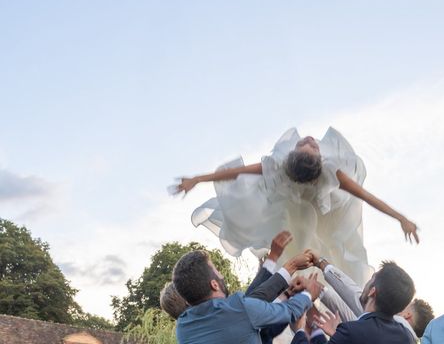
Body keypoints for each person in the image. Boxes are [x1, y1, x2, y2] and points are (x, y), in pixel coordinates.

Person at [175, 127, 419, 286]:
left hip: (325, 214)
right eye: (310, 145)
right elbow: (235, 173)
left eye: (310, 145)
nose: (311, 140)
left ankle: (322, 283)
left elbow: (366, 196)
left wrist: (400, 218)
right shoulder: (284, 167)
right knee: (298, 246)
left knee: (331, 249)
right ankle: (293, 283)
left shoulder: (325, 172)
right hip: (292, 213)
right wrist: (197, 179)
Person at [172, 249, 323, 344]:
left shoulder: (183, 328)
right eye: (217, 271)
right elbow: (290, 311)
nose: (222, 275)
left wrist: (288, 289)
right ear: (214, 285)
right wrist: (308, 293)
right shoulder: (240, 309)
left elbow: (251, 303)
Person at [308, 250, 431, 341]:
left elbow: (355, 297)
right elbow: (358, 318)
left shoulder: (357, 330)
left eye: (372, 278)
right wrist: (320, 290)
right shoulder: (402, 336)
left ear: (407, 315)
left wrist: (306, 302)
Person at [291, 261, 416, 344]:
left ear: (372, 291)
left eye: (371, 278)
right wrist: (335, 334)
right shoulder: (406, 337)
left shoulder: (351, 332)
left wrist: (300, 329)